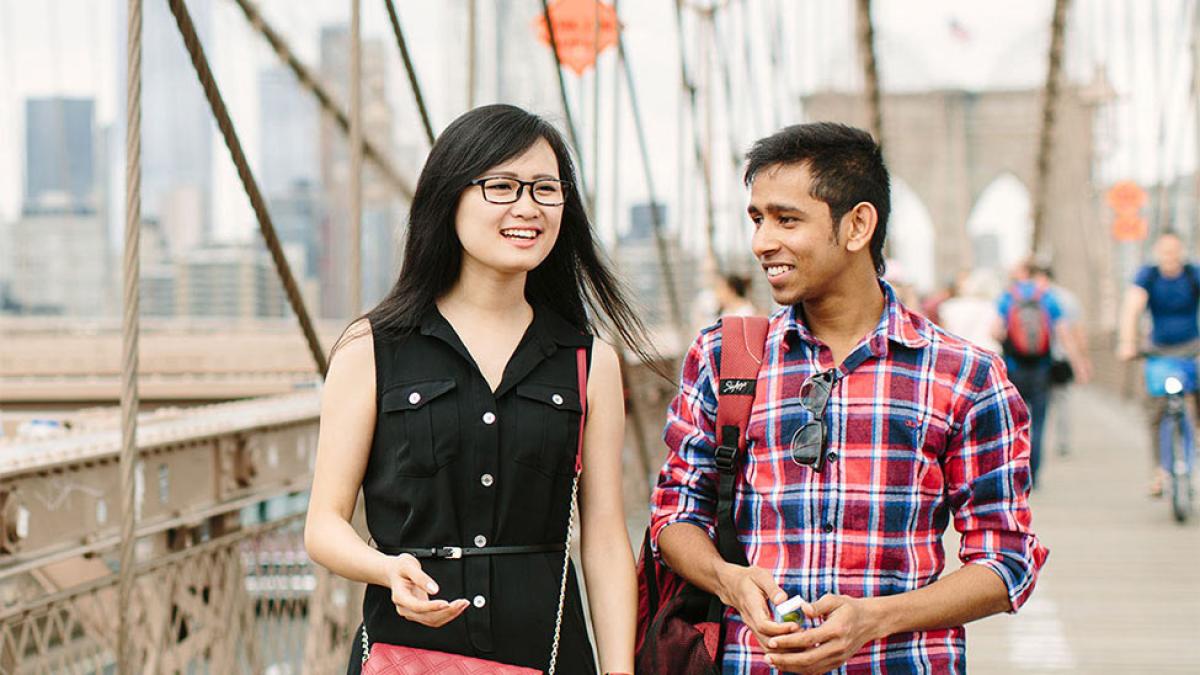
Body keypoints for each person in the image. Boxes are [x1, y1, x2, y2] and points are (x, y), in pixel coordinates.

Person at [650, 122, 1048, 674]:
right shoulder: (725, 358)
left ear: (858, 224)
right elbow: (673, 516)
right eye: (757, 219)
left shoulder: (966, 375)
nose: (763, 242)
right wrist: (730, 581)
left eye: (787, 219)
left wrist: (876, 619)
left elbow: (1007, 561)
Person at [305, 104, 643, 675]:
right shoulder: (372, 348)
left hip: (551, 657)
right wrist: (387, 569)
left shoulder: (591, 361)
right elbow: (323, 525)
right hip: (405, 657)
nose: (527, 208)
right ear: (449, 197)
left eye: (545, 189)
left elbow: (605, 540)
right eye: (502, 187)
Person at [1117, 230, 1200, 496]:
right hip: (1158, 352)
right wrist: (1127, 342)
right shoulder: (1148, 276)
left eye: (1174, 251)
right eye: (1165, 251)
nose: (1170, 257)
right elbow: (1132, 308)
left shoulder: (1192, 274)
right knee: (1156, 411)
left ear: (1181, 251)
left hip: (1192, 349)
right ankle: (1160, 472)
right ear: (1157, 253)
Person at [994, 260, 1088, 489]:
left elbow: (995, 330)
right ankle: (1033, 474)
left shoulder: (1008, 298)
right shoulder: (1048, 298)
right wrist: (1078, 363)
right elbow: (1063, 333)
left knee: (1015, 422)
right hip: (1041, 368)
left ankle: (1016, 469)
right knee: (1039, 422)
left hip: (1015, 368)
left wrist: (1009, 344)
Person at [1032, 265, 1090, 458]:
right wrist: (1081, 361)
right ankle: (1062, 443)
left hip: (1034, 360)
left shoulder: (1027, 297)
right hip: (1061, 358)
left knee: (1035, 405)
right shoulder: (1067, 299)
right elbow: (1075, 332)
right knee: (1063, 400)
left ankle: (1033, 444)